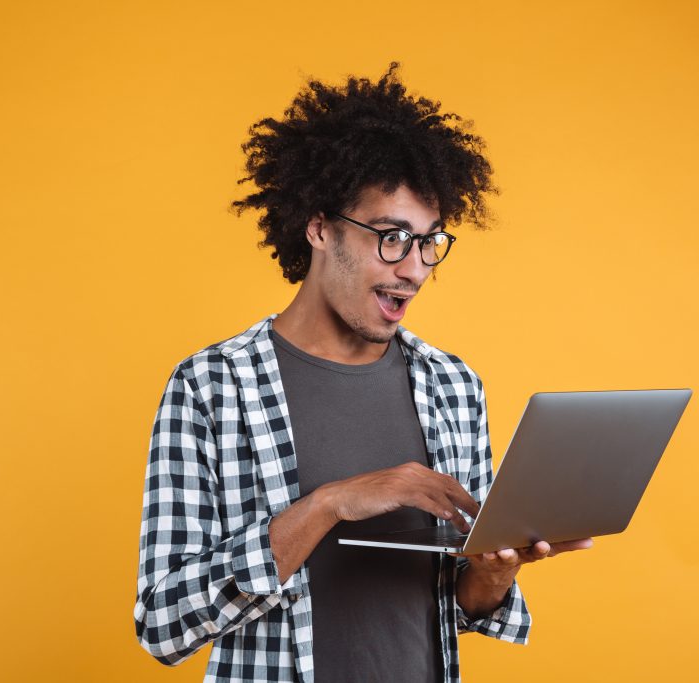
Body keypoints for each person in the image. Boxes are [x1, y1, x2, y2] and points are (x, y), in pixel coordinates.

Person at [133, 62, 593, 683]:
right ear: (320, 228)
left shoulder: (452, 386)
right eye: (392, 237)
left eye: (430, 242)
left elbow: (455, 607)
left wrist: (494, 570)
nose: (415, 269)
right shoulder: (212, 385)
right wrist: (330, 504)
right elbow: (164, 622)